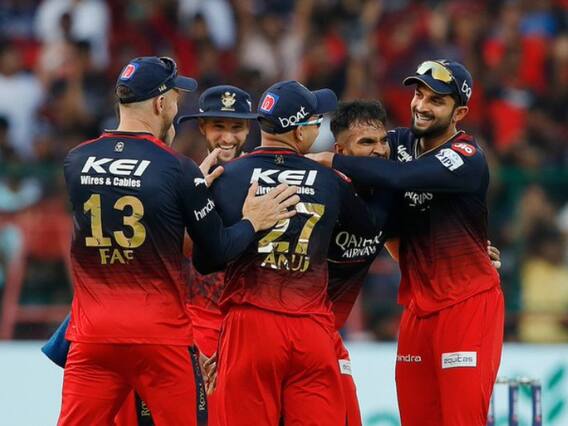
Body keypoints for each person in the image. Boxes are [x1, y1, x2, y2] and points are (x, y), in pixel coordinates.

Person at [57, 56, 299, 426]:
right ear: (161, 103)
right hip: (162, 336)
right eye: (174, 97)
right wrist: (252, 219)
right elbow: (214, 251)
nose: (176, 105)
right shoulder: (178, 170)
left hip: (93, 334)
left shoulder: (76, 160)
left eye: (237, 126)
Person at [309, 60, 503, 426]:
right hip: (417, 307)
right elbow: (369, 163)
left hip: (466, 304)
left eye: (436, 101)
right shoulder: (396, 143)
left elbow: (402, 177)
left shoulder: (466, 157)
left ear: (459, 113)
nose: (421, 106)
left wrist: (329, 160)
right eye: (419, 94)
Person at [195, 80, 376, 426]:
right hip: (311, 327)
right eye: (315, 121)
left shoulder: (226, 178)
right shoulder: (330, 180)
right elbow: (368, 228)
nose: (318, 128)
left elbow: (206, 261)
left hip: (251, 325)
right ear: (298, 131)